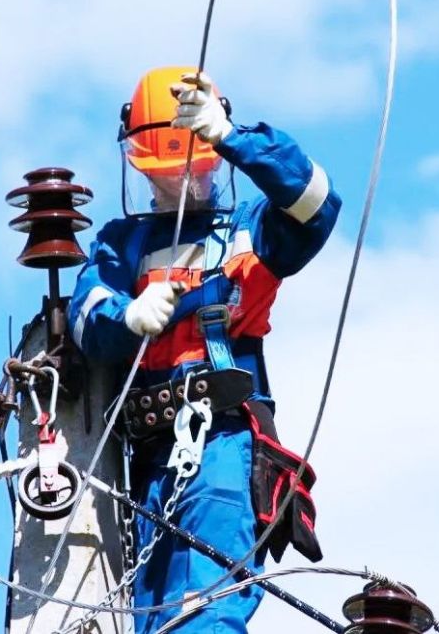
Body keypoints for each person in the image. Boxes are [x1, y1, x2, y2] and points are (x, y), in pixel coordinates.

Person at [68, 65, 340, 633]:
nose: (184, 175)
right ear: (144, 166)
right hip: (147, 461)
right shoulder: (123, 245)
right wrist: (129, 316)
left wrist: (236, 138)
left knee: (206, 604)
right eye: (168, 166)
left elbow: (317, 203)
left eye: (196, 156)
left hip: (221, 441)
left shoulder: (252, 230)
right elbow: (88, 317)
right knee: (150, 611)